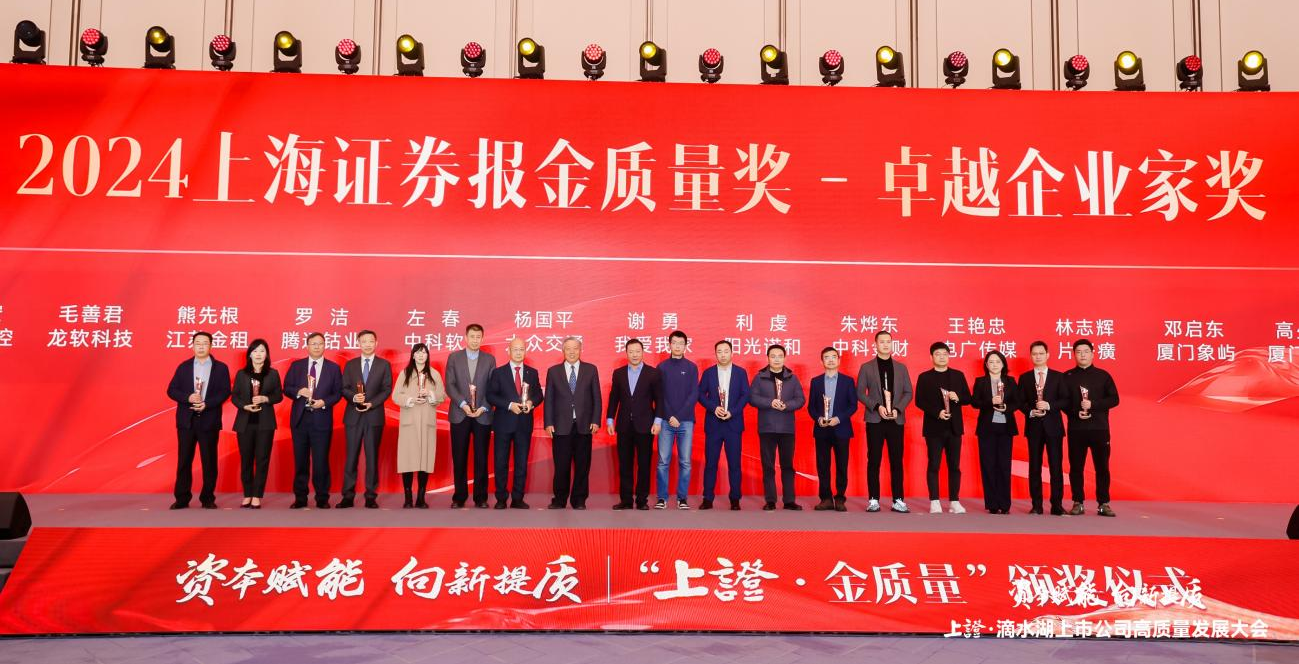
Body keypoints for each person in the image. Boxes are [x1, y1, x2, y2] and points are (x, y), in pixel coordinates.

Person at [166, 331, 231, 510]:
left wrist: (207, 404)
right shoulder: (184, 367)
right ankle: (182, 498)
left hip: (209, 420)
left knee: (209, 461)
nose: (201, 346)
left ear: (211, 345)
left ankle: (207, 498)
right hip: (187, 421)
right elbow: (171, 390)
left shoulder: (221, 368)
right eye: (198, 343)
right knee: (184, 461)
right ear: (193, 346)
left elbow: (225, 391)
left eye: (205, 343)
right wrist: (188, 397)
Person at [283, 332, 343, 509]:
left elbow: (338, 393)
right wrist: (298, 391)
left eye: (320, 343)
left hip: (321, 419)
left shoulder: (333, 368)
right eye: (313, 344)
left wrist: (324, 402)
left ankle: (322, 498)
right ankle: (300, 498)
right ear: (307, 346)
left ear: (325, 346)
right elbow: (286, 387)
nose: (317, 347)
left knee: (321, 461)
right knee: (300, 461)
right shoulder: (297, 366)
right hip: (300, 420)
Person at [856, 331, 913, 513]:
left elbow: (908, 392)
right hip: (875, 420)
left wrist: (898, 409)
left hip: (896, 420)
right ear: (875, 344)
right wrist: (876, 406)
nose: (886, 345)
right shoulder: (866, 367)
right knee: (874, 460)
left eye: (888, 341)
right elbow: (859, 393)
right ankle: (873, 499)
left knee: (896, 461)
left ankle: (898, 500)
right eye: (882, 342)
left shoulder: (901, 368)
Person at [1063, 338, 1120, 517]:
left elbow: (1114, 399)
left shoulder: (1103, 376)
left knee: (1102, 467)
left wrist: (1093, 405)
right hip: (1076, 429)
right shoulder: (1067, 376)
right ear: (1074, 354)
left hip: (1099, 429)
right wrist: (1075, 412)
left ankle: (1103, 503)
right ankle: (1077, 502)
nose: (1082, 355)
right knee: (1076, 467)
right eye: (1079, 352)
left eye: (1086, 351)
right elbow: (1063, 401)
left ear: (1093, 354)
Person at [544, 336, 602, 510]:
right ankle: (559, 499)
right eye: (568, 348)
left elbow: (597, 398)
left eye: (575, 348)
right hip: (561, 426)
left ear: (581, 350)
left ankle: (579, 500)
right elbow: (549, 399)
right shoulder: (553, 371)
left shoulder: (591, 369)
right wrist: (548, 422)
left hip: (584, 425)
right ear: (563, 350)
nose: (571, 352)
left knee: (583, 465)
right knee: (561, 466)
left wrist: (595, 420)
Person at [913, 342, 971, 514]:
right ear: (931, 357)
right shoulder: (925, 377)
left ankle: (954, 501)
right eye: (938, 354)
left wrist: (957, 397)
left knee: (954, 466)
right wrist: (936, 412)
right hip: (934, 428)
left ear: (949, 356)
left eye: (945, 354)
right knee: (934, 464)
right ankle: (934, 501)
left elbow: (968, 398)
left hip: (954, 428)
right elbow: (919, 401)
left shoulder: (958, 375)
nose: (942, 357)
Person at [605, 338, 662, 510]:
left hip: (646, 425)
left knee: (644, 464)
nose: (635, 355)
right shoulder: (619, 373)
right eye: (631, 352)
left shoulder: (653, 373)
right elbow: (614, 398)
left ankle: (642, 500)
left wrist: (658, 421)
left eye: (638, 351)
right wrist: (610, 419)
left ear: (643, 352)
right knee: (625, 464)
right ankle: (626, 500)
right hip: (624, 425)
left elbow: (660, 400)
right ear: (626, 353)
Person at [487, 337, 543, 509]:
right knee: (501, 462)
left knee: (521, 463)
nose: (519, 352)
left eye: (521, 349)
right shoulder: (498, 372)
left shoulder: (532, 373)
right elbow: (491, 396)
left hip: (524, 424)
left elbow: (539, 395)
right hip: (503, 423)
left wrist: (531, 403)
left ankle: (518, 498)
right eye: (515, 349)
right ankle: (501, 498)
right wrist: (510, 405)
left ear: (525, 351)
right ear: (509, 351)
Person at [444, 323, 496, 508]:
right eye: (472, 336)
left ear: (482, 338)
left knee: (481, 457)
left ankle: (480, 498)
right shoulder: (454, 357)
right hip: (460, 413)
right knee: (459, 457)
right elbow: (450, 384)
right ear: (465, 338)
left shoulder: (489, 359)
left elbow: (493, 386)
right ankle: (459, 497)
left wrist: (484, 407)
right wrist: (463, 404)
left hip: (482, 414)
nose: (475, 340)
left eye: (478, 337)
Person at [339, 330, 393, 509]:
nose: (368, 344)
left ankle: (371, 496)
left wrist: (372, 403)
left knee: (372, 457)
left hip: (374, 416)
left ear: (376, 343)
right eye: (364, 341)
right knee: (351, 457)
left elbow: (387, 389)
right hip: (353, 416)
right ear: (358, 344)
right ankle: (348, 496)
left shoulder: (384, 365)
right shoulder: (351, 365)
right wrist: (354, 397)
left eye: (371, 341)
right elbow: (344, 388)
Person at [749, 344, 806, 511]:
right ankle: (770, 500)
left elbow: (800, 399)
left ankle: (789, 500)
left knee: (787, 466)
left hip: (787, 428)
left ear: (785, 358)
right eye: (773, 356)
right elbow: (752, 398)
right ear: (767, 358)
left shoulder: (792, 378)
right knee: (768, 466)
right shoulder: (759, 377)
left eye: (780, 356)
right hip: (766, 427)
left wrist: (787, 405)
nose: (776, 359)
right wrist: (770, 402)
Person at [1018, 340, 1070, 515]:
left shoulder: (1059, 377)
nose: (1038, 356)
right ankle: (1036, 505)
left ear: (1047, 355)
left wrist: (1049, 405)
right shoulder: (1025, 378)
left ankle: (1057, 505)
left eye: (1041, 353)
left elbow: (1066, 400)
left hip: (1053, 427)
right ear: (1031, 356)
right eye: (1034, 354)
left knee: (1056, 467)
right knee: (1034, 466)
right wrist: (1030, 411)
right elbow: (1020, 401)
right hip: (1034, 427)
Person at [230, 339, 283, 509]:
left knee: (262, 459)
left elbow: (279, 396)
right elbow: (234, 396)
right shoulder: (241, 374)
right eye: (255, 351)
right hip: (245, 423)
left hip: (265, 423)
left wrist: (265, 398)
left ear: (266, 354)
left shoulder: (272, 374)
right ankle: (247, 494)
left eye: (262, 351)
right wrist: (244, 406)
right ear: (250, 354)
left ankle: (257, 495)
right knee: (246, 459)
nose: (258, 354)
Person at [392, 343, 445, 508]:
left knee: (425, 459)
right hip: (409, 421)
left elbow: (442, 395)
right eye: (418, 352)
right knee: (408, 459)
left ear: (428, 355)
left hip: (427, 420)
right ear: (413, 355)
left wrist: (430, 395)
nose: (421, 355)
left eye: (424, 352)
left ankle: (421, 497)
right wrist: (410, 399)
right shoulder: (405, 373)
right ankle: (408, 497)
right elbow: (395, 395)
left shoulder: (434, 374)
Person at [697, 340, 749, 511]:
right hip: (714, 424)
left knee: (735, 464)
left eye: (726, 351)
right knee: (711, 463)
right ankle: (707, 498)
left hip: (733, 424)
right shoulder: (709, 373)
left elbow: (745, 395)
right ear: (715, 354)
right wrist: (714, 408)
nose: (723, 355)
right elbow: (700, 394)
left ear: (732, 353)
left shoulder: (741, 373)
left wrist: (732, 412)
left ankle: (735, 499)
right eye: (719, 351)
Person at [807, 347, 858, 512]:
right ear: (821, 361)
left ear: (839, 360)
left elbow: (853, 405)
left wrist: (838, 418)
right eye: (827, 357)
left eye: (833, 357)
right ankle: (826, 498)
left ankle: (840, 498)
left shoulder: (848, 381)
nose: (830, 360)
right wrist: (818, 418)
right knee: (823, 466)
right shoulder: (816, 382)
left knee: (842, 465)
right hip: (822, 429)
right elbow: (811, 407)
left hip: (841, 429)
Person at [972, 350, 1021, 514]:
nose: (994, 365)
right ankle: (992, 503)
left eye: (998, 361)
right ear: (986, 365)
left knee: (1004, 466)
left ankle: (1005, 504)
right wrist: (990, 401)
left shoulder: (1010, 381)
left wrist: (1007, 407)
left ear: (1003, 364)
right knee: (988, 465)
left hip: (1006, 428)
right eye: (991, 362)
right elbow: (975, 402)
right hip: (986, 429)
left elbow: (1017, 402)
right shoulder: (980, 381)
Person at [655, 330, 699, 510]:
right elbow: (659, 395)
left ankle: (682, 498)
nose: (678, 346)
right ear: (669, 345)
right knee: (663, 461)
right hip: (666, 421)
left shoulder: (692, 367)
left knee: (685, 462)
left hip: (686, 421)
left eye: (681, 343)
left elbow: (694, 394)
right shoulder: (661, 367)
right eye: (674, 343)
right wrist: (670, 416)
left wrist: (678, 416)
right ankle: (662, 498)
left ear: (686, 346)